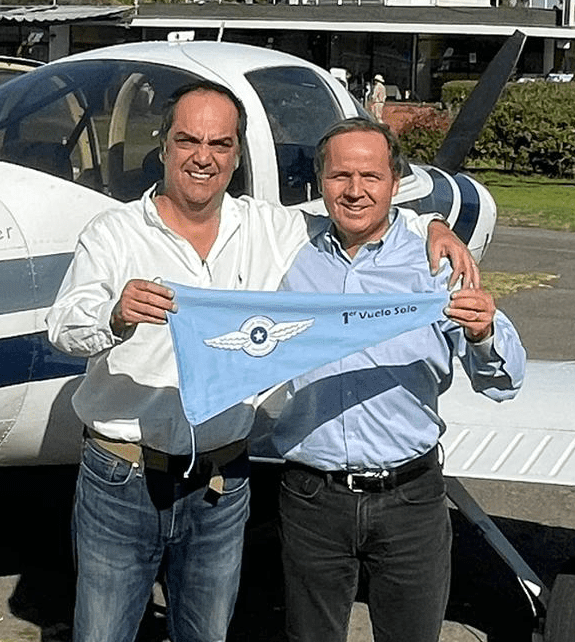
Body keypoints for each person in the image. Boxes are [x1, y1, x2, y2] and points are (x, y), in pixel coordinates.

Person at [46, 82, 477, 642]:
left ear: (236, 154)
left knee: (207, 634)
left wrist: (431, 226)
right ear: (164, 146)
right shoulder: (114, 233)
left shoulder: (270, 229)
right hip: (122, 476)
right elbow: (62, 325)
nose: (204, 156)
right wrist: (115, 315)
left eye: (220, 144)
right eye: (188, 140)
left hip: (222, 484)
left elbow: (361, 213)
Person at [272, 117, 526, 642]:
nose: (355, 190)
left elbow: (504, 383)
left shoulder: (438, 264)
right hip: (311, 500)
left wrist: (481, 334)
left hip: (409, 500)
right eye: (340, 176)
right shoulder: (286, 255)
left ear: (395, 184)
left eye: (371, 176)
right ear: (321, 184)